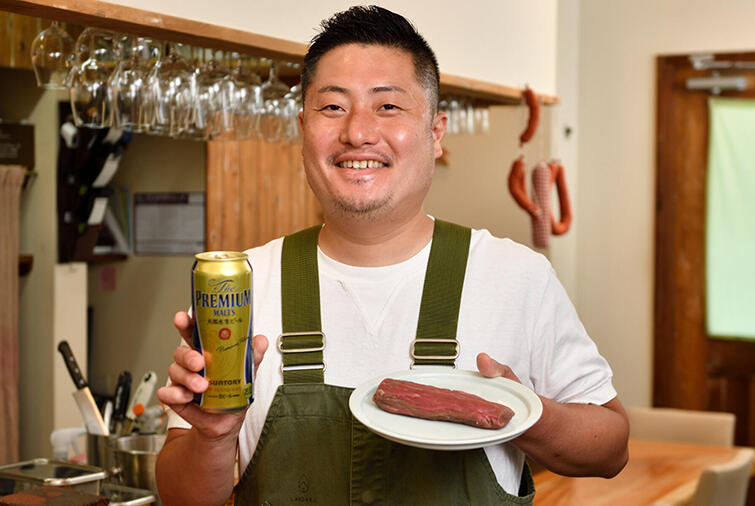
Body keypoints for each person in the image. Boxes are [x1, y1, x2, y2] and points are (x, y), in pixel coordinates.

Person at [156, 5, 629, 505]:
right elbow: (181, 498)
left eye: (387, 106)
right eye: (332, 107)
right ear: (302, 129)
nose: (357, 132)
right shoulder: (242, 287)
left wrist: (523, 411)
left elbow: (610, 449)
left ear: (436, 132)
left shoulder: (515, 275)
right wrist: (214, 436)